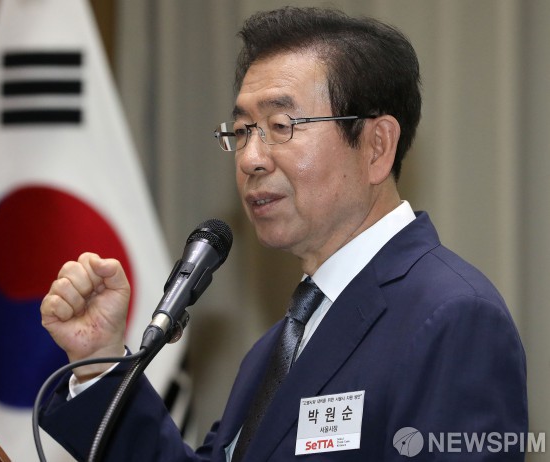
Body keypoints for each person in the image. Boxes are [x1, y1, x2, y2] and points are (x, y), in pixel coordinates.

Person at [38, 7, 527, 461]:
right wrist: (99, 362)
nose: (250, 158)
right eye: (242, 131)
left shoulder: (454, 318)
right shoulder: (277, 347)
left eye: (281, 125)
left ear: (376, 146)